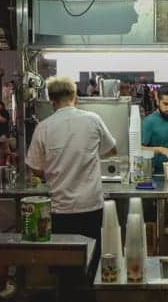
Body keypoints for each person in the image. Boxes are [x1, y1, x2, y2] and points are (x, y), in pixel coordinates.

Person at [26, 76, 116, 247]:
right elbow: (111, 149)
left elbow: (35, 168)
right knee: (92, 258)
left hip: (60, 209)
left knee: (65, 260)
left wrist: (53, 171)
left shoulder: (43, 127)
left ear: (51, 102)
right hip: (91, 206)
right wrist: (88, 156)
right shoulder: (93, 119)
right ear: (76, 98)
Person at [141, 86, 168, 174]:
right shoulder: (149, 121)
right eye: (165, 104)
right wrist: (160, 149)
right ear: (158, 102)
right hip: (153, 173)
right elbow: (139, 149)